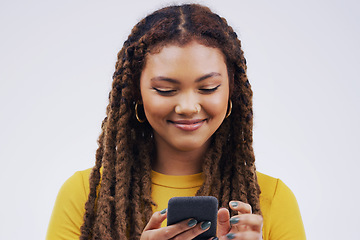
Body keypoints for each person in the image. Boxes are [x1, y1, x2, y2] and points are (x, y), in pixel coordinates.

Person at [47, 4, 306, 240]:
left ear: (231, 91)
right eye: (165, 89)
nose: (187, 107)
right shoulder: (83, 196)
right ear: (137, 92)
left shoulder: (273, 199)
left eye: (208, 88)